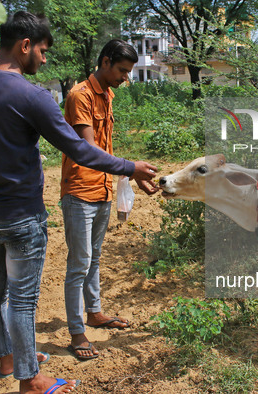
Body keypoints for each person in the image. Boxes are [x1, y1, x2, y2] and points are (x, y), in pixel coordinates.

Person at [0, 11, 157, 394]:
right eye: (42, 51)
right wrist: (131, 167)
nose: (44, 59)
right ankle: (30, 380)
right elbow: (80, 149)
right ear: (24, 45)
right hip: (23, 215)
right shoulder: (31, 95)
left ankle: (8, 359)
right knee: (23, 299)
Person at [61, 39, 152, 361]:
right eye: (122, 71)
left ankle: (95, 312)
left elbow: (105, 149)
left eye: (128, 73)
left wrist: (129, 175)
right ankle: (76, 332)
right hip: (79, 192)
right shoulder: (79, 96)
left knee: (94, 258)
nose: (125, 78)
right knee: (79, 264)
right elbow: (87, 151)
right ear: (105, 61)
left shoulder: (107, 94)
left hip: (102, 189)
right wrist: (131, 168)